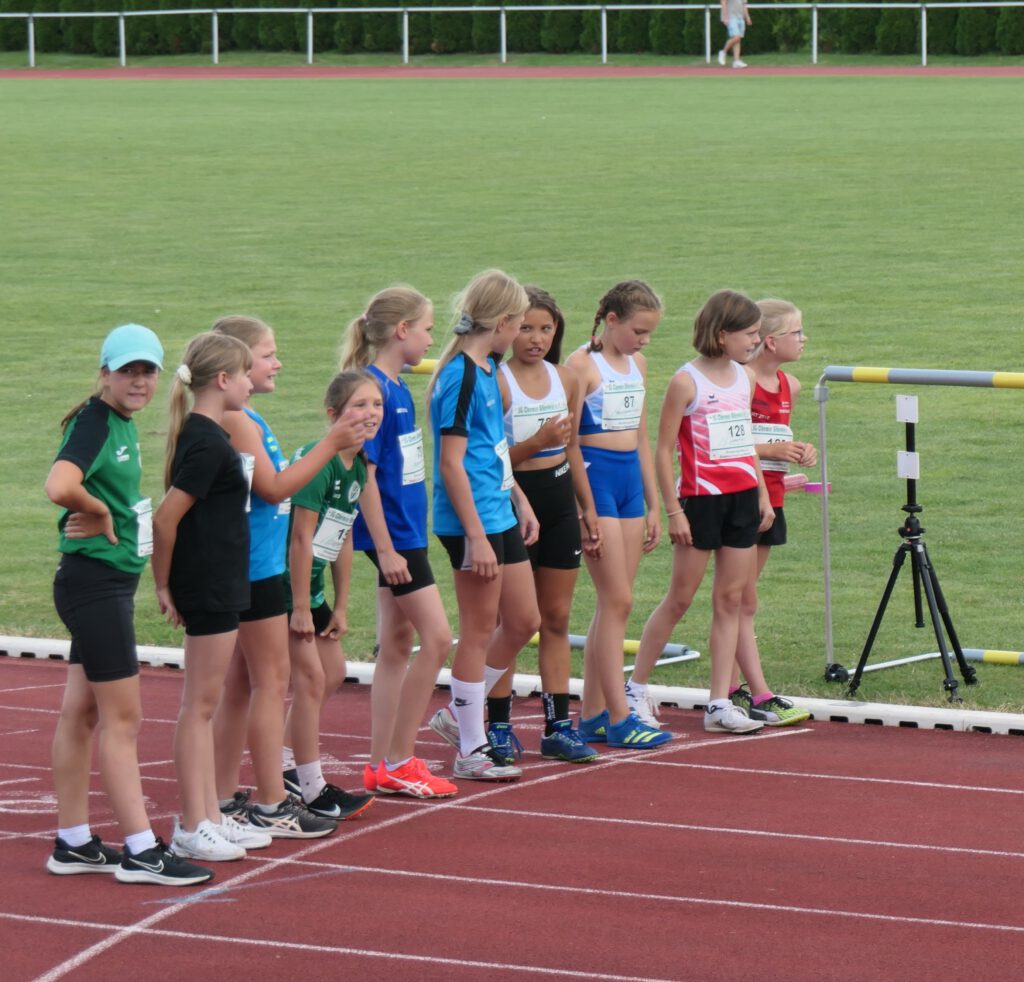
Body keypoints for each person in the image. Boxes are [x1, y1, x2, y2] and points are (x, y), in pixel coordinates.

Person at [45, 324, 213, 886]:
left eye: (147, 371)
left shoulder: (117, 421)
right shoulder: (96, 422)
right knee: (124, 718)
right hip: (94, 586)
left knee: (82, 712)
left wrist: (99, 511)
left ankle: (72, 841)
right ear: (104, 373)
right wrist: (96, 510)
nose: (138, 381)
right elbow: (58, 484)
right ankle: (142, 850)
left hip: (99, 583)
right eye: (127, 371)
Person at [208, 315, 367, 836]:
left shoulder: (250, 418)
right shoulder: (237, 420)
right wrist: (330, 443)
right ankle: (272, 803)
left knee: (242, 686)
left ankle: (227, 796)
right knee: (267, 685)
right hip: (256, 569)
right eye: (269, 354)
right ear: (235, 363)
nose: (278, 363)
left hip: (259, 566)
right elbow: (275, 491)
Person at [629, 290, 774, 735]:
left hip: (743, 498)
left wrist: (763, 494)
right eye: (749, 334)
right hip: (699, 501)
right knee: (680, 598)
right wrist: (673, 511)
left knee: (730, 599)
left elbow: (744, 439)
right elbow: (662, 448)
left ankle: (718, 703)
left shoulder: (744, 378)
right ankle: (635, 687)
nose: (755, 342)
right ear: (722, 333)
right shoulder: (686, 382)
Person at [341, 288, 458, 799]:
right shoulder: (375, 391)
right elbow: (364, 475)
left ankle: (379, 764)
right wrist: (385, 548)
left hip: (405, 530)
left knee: (394, 646)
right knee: (435, 639)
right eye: (428, 328)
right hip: (392, 536)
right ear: (402, 331)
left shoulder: (397, 388)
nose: (433, 338)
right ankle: (400, 758)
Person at [426, 269, 542, 780]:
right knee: (477, 630)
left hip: (496, 511)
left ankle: (458, 714)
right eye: (519, 324)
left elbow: (489, 450)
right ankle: (472, 747)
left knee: (523, 621)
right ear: (501, 322)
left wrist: (518, 496)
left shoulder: (492, 370)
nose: (522, 335)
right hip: (469, 521)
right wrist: (474, 533)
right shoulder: (461, 378)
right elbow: (451, 464)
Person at [152, 331, 263, 862]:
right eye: (244, 374)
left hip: (220, 580)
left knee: (204, 704)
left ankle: (211, 815)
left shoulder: (207, 435)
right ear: (223, 380)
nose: (249, 382)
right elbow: (165, 517)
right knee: (198, 707)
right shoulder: (207, 441)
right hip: (209, 584)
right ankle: (193, 823)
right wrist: (163, 584)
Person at [490, 286, 602, 763]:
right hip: (512, 502)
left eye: (546, 329)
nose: (535, 338)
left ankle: (558, 725)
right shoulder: (496, 381)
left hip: (558, 500)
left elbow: (571, 446)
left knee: (556, 618)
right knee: (511, 621)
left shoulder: (567, 378)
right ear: (508, 328)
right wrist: (536, 441)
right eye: (526, 328)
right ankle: (495, 724)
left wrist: (587, 507)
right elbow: (491, 460)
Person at [565, 281, 671, 751]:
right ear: (610, 321)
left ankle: (591, 715)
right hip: (595, 480)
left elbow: (643, 437)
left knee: (615, 605)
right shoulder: (580, 366)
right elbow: (566, 442)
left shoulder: (638, 365)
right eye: (637, 331)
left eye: (649, 334)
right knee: (618, 601)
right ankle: (620, 715)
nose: (643, 341)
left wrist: (654, 505)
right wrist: (583, 507)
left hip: (629, 481)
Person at [280, 371, 383, 818]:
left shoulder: (357, 465)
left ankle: (284, 760)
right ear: (333, 414)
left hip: (315, 587)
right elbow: (299, 540)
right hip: (285, 587)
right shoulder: (317, 464)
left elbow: (342, 536)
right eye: (359, 405)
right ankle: (310, 785)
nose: (370, 414)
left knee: (334, 670)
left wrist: (339, 604)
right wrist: (300, 607)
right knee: (311, 680)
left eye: (376, 404)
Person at [727, 299, 816, 726]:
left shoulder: (790, 386)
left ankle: (730, 690)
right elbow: (733, 442)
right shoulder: (741, 381)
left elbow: (774, 440)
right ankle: (756, 694)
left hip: (773, 499)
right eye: (797, 332)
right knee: (740, 600)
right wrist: (771, 451)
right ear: (770, 340)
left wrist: (797, 453)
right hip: (743, 498)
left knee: (745, 598)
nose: (804, 339)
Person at [718, 0, 752, 69]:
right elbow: (723, 2)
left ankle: (736, 61)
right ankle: (723, 52)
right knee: (736, 37)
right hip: (731, 17)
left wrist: (747, 17)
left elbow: (744, 5)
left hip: (740, 17)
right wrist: (725, 17)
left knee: (738, 40)